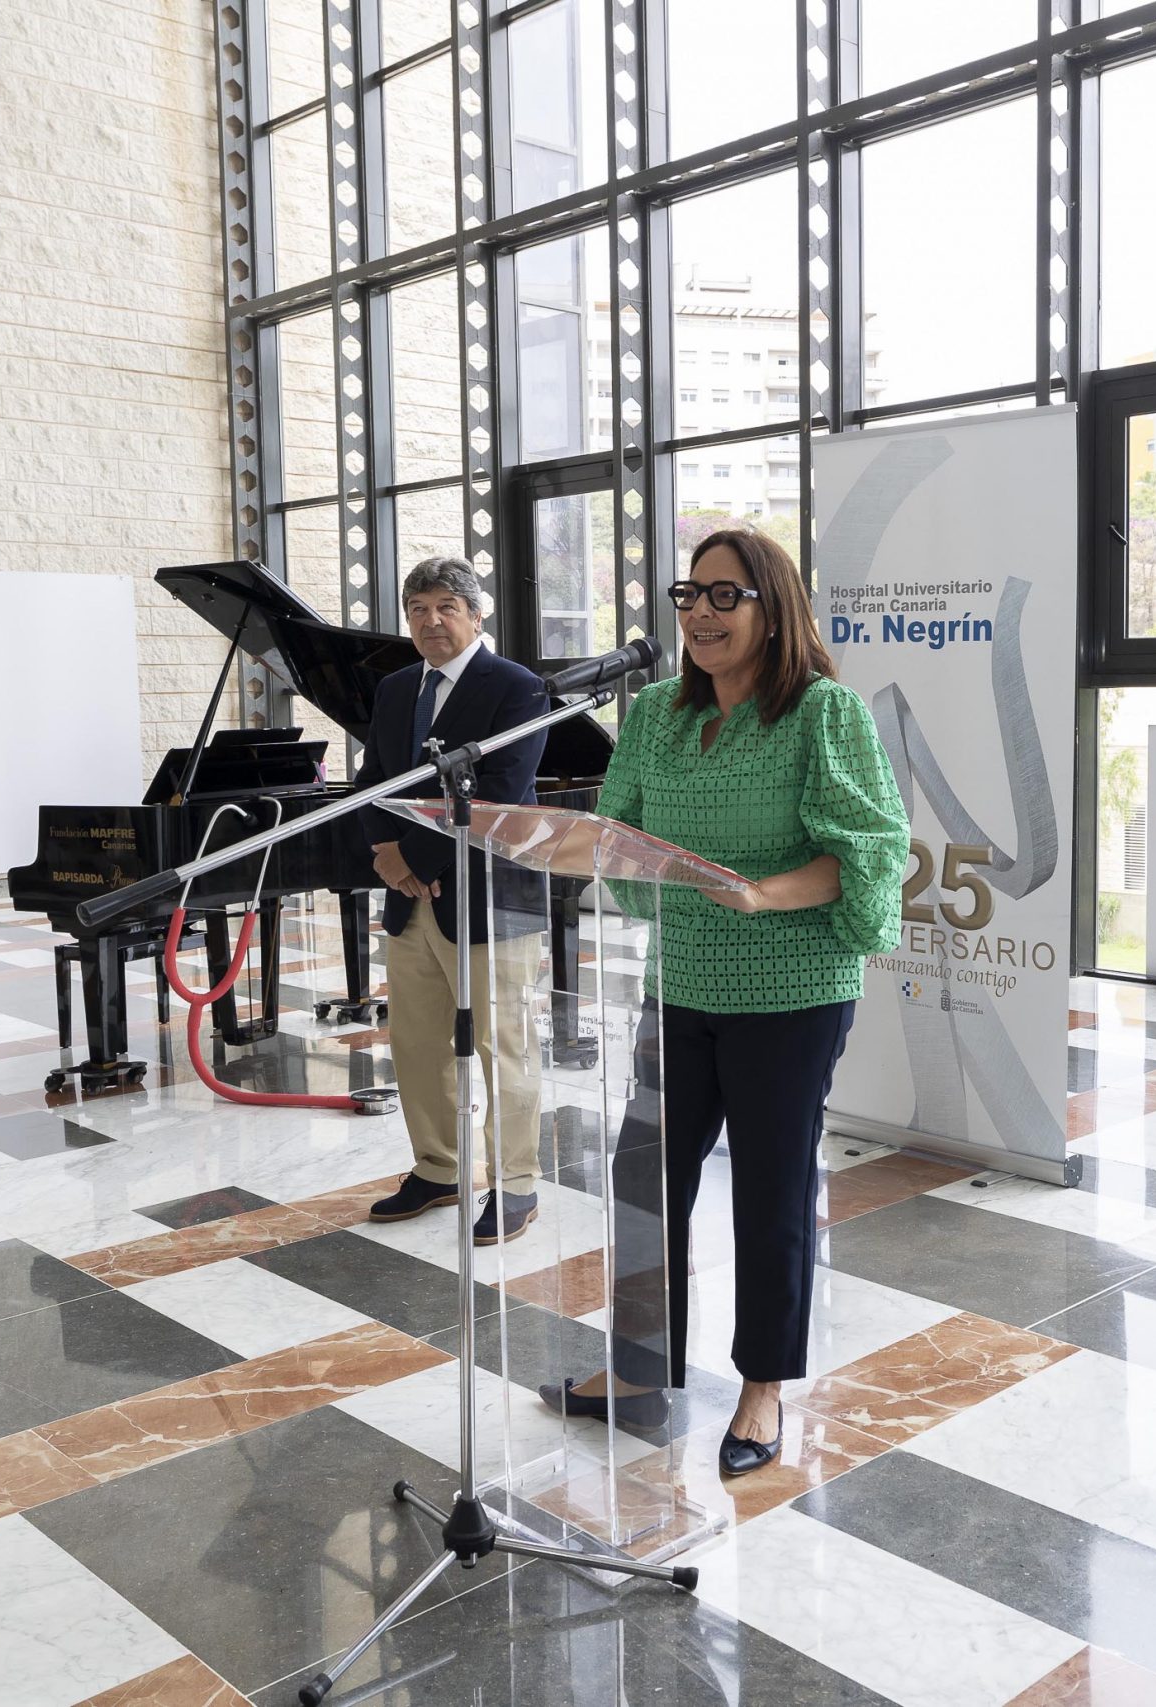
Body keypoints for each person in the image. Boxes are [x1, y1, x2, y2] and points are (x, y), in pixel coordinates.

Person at [538, 526, 906, 1478]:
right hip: (681, 986)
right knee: (642, 1177)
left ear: (771, 605)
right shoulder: (657, 713)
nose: (699, 612)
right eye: (688, 594)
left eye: (723, 595)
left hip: (790, 992)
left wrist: (761, 891)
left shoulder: (823, 714)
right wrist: (528, 839)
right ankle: (637, 1368)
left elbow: (866, 854)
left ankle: (762, 1388)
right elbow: (616, 834)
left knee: (772, 1189)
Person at [356, 557, 552, 1246]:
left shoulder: (517, 688)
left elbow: (500, 792)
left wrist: (414, 857)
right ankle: (438, 1167)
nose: (431, 620)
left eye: (446, 606)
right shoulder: (395, 688)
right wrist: (386, 854)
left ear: (476, 614)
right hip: (412, 898)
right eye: (417, 608)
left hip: (491, 895)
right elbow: (372, 780)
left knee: (504, 1046)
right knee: (415, 1042)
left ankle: (518, 1184)